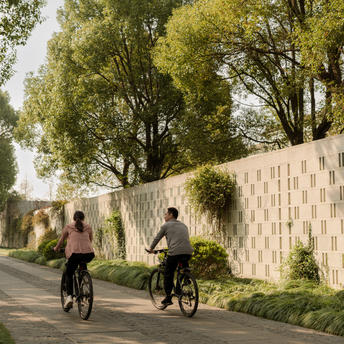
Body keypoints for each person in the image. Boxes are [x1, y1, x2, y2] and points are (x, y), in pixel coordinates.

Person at [147, 207, 194, 306]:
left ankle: (168, 297)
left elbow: (157, 238)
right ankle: (180, 286)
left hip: (175, 252)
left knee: (169, 273)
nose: (164, 216)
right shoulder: (184, 225)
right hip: (188, 252)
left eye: (166, 214)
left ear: (171, 214)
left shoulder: (166, 226)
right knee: (183, 269)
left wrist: (151, 249)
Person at [54, 210, 95, 309]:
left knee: (69, 273)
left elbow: (61, 240)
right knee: (82, 265)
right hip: (88, 254)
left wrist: (56, 248)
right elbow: (90, 240)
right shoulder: (88, 227)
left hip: (74, 254)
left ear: (73, 218)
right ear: (83, 218)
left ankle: (69, 297)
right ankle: (82, 287)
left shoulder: (68, 227)